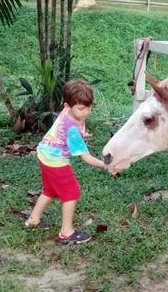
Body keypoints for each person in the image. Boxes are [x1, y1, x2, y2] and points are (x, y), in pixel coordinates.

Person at [25, 79, 114, 244]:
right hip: (55, 161)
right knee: (71, 192)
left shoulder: (68, 112)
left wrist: (81, 135)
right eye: (81, 108)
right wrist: (106, 165)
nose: (86, 112)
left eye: (89, 107)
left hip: (44, 153)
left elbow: (69, 129)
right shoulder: (72, 128)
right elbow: (86, 158)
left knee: (50, 190)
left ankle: (33, 220)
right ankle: (66, 232)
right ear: (67, 105)